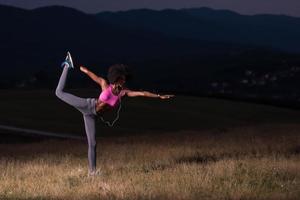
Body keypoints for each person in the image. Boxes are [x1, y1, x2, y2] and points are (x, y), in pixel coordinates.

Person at [55, 52, 175, 176]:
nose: (124, 81)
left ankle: (92, 173)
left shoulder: (123, 93)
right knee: (59, 93)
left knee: (93, 143)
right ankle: (67, 65)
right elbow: (91, 75)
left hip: (91, 116)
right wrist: (80, 68)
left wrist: (159, 96)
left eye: (124, 79)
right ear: (117, 78)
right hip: (88, 105)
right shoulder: (105, 85)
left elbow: (142, 93)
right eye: (122, 79)